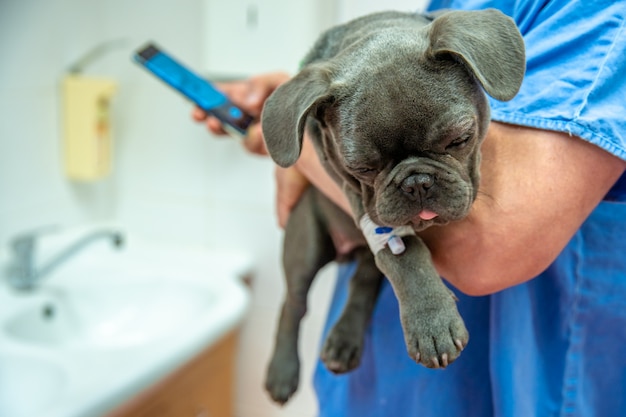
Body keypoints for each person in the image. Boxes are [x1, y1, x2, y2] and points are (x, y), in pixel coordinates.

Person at [193, 0, 626, 415]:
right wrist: (295, 115)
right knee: (304, 268)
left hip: (528, 360)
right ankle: (289, 325)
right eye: (365, 165)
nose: (418, 187)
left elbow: (491, 245)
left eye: (454, 141)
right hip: (379, 367)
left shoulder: (601, 18)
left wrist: (302, 151)